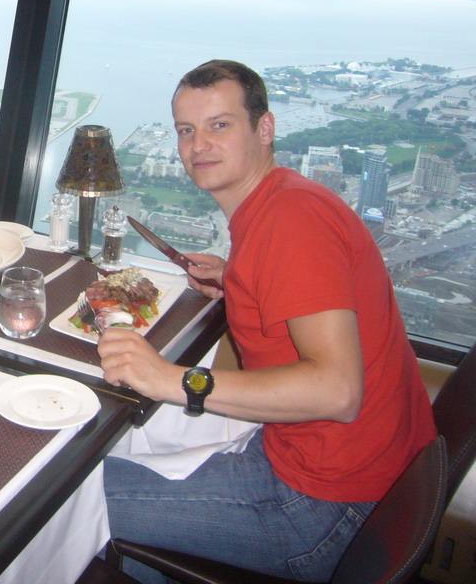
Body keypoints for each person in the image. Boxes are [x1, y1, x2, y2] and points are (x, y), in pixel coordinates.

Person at [97, 60, 435, 582]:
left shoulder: (290, 223)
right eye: (187, 130)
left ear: (265, 128)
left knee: (70, 503)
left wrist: (174, 380)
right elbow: (304, 299)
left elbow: (337, 392)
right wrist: (238, 282)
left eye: (220, 125)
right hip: (362, 473)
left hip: (320, 504)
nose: (198, 145)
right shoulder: (282, 202)